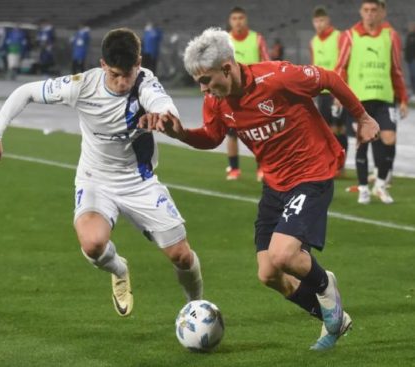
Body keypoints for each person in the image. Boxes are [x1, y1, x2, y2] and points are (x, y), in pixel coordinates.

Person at [140, 27, 380, 350]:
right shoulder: (217, 100)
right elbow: (212, 136)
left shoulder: (277, 78)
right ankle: (332, 318)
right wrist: (180, 133)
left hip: (312, 172)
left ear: (227, 68)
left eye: (206, 80)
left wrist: (362, 117)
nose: (202, 88)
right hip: (275, 184)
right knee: (268, 273)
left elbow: (328, 79)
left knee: (284, 254)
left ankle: (326, 287)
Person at [0, 28, 203, 317]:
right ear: (103, 65)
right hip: (96, 180)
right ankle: (119, 270)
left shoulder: (146, 82)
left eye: (128, 75)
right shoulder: (81, 86)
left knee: (182, 256)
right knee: (93, 244)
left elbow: (163, 105)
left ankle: (196, 306)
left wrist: (166, 119)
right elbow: (26, 91)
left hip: (140, 183)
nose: (121, 83)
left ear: (139, 63)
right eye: (115, 74)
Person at [335, 0, 408, 204]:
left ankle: (380, 185)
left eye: (374, 10)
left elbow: (396, 69)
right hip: (359, 101)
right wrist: (339, 95)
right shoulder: (349, 36)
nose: (369, 14)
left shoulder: (391, 36)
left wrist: (402, 97)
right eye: (366, 10)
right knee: (362, 144)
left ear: (382, 12)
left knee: (389, 138)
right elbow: (341, 67)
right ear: (361, 11)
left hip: (384, 98)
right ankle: (363, 188)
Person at [226, 6, 270, 181]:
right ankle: (234, 169)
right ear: (230, 21)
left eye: (241, 18)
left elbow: (267, 64)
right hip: (231, 95)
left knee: (260, 133)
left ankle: (262, 168)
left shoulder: (257, 39)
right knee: (232, 133)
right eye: (235, 18)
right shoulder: (225, 41)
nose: (238, 21)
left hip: (255, 94)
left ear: (246, 20)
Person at [310, 6, 348, 176]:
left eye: (322, 20)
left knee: (338, 128)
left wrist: (342, 91)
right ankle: (330, 163)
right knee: (325, 129)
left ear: (328, 21)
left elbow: (345, 63)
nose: (319, 24)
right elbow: (314, 66)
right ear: (313, 23)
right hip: (322, 92)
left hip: (337, 90)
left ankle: (340, 165)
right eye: (317, 21)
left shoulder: (339, 37)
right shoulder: (313, 42)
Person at [405, 23, 415, 101]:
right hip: (409, 59)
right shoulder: (409, 36)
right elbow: (407, 47)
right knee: (411, 76)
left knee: (413, 75)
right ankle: (413, 91)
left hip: (413, 59)